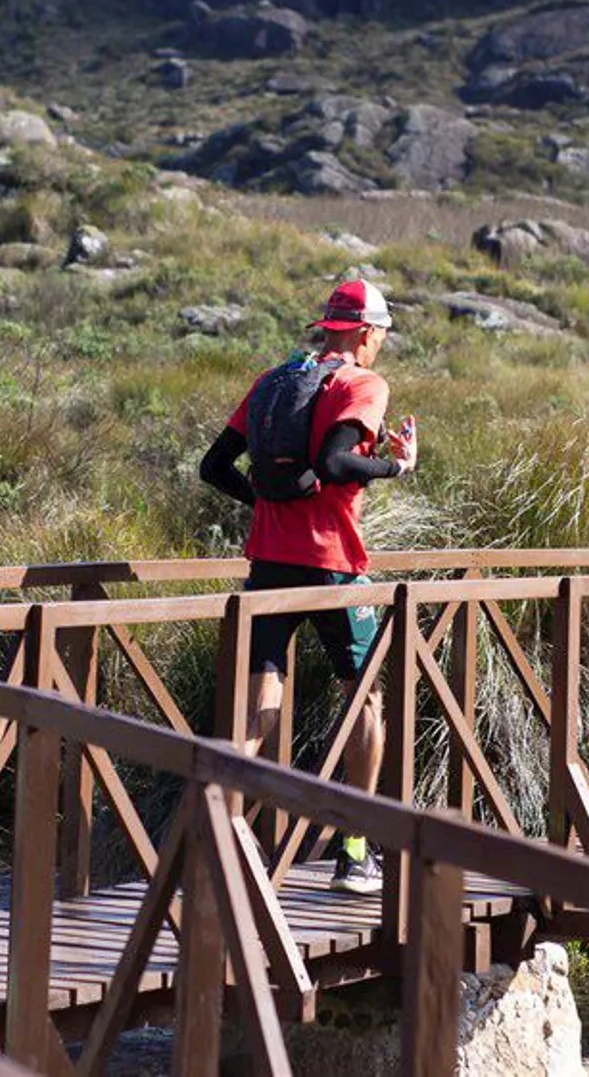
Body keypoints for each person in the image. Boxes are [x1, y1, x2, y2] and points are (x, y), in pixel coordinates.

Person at [199, 278, 417, 894]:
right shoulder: (362, 384)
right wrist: (396, 466)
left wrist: (264, 506)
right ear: (369, 333)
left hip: (268, 560)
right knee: (365, 697)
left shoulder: (273, 382)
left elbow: (213, 467)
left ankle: (229, 843)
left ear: (326, 327)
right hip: (334, 568)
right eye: (380, 335)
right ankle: (354, 852)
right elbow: (337, 464)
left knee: (256, 700)